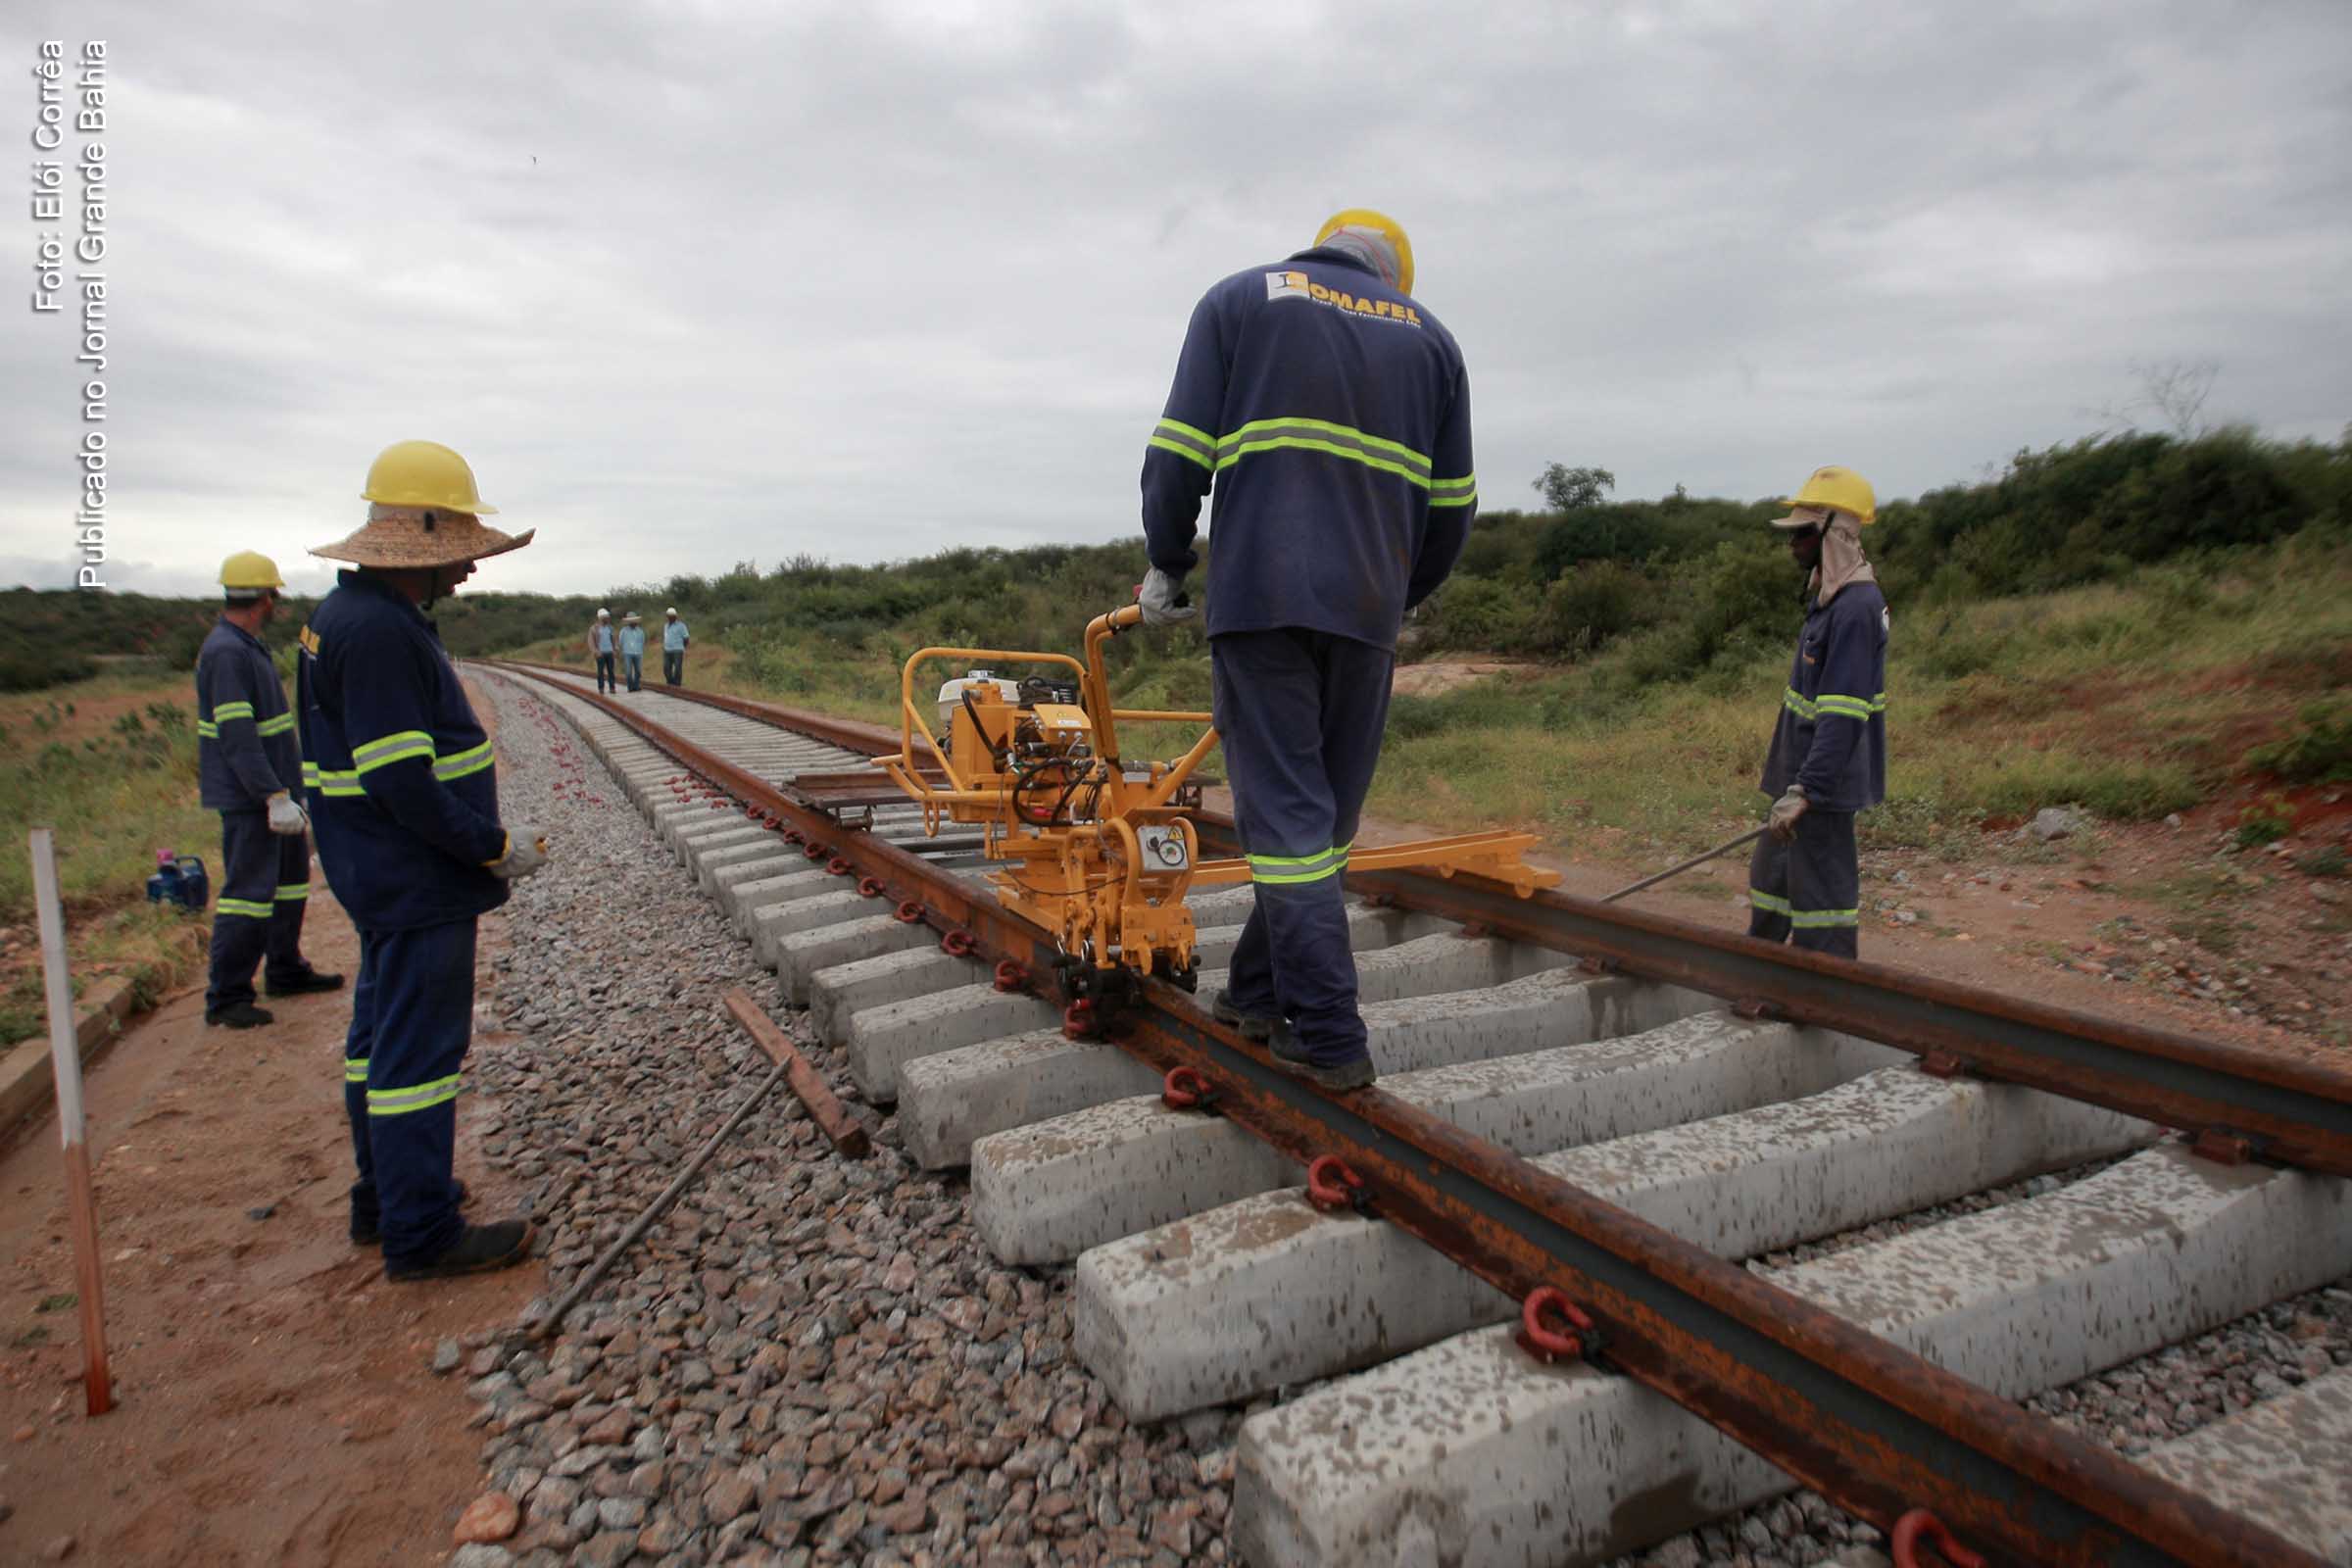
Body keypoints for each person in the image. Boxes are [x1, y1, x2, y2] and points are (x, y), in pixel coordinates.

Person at [1138, 209, 1474, 1092]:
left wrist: (1168, 564)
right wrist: (1398, 596)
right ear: (1394, 273)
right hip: (1368, 613)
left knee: (1293, 831)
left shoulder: (1241, 300)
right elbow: (1453, 510)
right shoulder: (1433, 342)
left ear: (1322, 244)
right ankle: (1254, 994)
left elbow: (1176, 455)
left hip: (1261, 600)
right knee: (1319, 828)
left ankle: (1328, 1033)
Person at [298, 438, 548, 1282]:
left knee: (378, 1041)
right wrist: (493, 846)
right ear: (421, 543)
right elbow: (402, 779)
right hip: (413, 877)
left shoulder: (352, 616)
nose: (469, 569)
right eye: (459, 553)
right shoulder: (376, 635)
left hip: (380, 872)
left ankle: (385, 1199)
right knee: (418, 1055)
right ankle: (422, 1232)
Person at [196, 550, 343, 1028]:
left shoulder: (245, 645)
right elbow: (236, 736)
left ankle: (284, 967)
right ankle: (227, 996)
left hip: (275, 791)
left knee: (289, 884)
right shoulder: (226, 653)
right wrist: (271, 796)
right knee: (248, 894)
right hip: (252, 800)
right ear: (266, 597)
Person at [1747, 466, 1888, 960]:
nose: (1793, 544)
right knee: (1771, 888)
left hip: (1819, 792)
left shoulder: (1856, 608)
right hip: (1795, 781)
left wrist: (1808, 792)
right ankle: (1758, 978)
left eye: (1803, 534)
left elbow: (1844, 716)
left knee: (1822, 910)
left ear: (1834, 533)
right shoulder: (1829, 600)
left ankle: (1825, 1006)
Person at [589, 608, 616, 694]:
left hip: (610, 652)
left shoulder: (610, 628)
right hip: (600, 653)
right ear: (600, 618)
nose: (607, 619)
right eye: (605, 617)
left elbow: (614, 639)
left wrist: (615, 649)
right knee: (600, 672)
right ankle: (601, 688)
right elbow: (591, 642)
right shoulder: (594, 628)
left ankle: (612, 688)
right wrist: (596, 652)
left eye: (607, 617)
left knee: (611, 671)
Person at [617, 612, 646, 693]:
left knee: (638, 671)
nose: (633, 623)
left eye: (634, 621)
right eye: (631, 621)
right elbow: (620, 642)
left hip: (638, 653)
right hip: (627, 653)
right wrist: (620, 651)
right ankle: (630, 687)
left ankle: (636, 686)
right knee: (628, 672)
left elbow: (642, 641)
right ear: (628, 622)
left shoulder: (640, 631)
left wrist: (641, 651)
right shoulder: (623, 631)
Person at [662, 607, 690, 686]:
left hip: (677, 650)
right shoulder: (666, 626)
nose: (670, 618)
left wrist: (682, 647)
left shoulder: (681, 626)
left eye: (672, 616)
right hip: (667, 650)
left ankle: (677, 685)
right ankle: (670, 683)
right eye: (669, 616)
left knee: (677, 668)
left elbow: (686, 638)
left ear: (675, 616)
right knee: (666, 668)